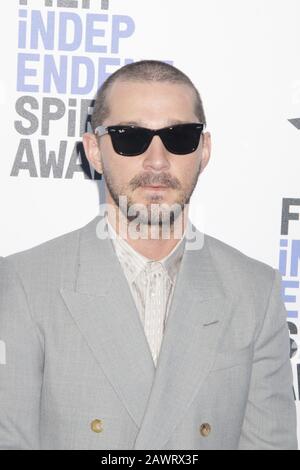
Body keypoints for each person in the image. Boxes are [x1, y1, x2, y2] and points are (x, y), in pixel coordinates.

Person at [0, 60, 297, 450]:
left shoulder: (254, 292)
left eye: (179, 137)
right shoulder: (24, 283)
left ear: (204, 150)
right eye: (129, 137)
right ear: (95, 151)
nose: (156, 161)